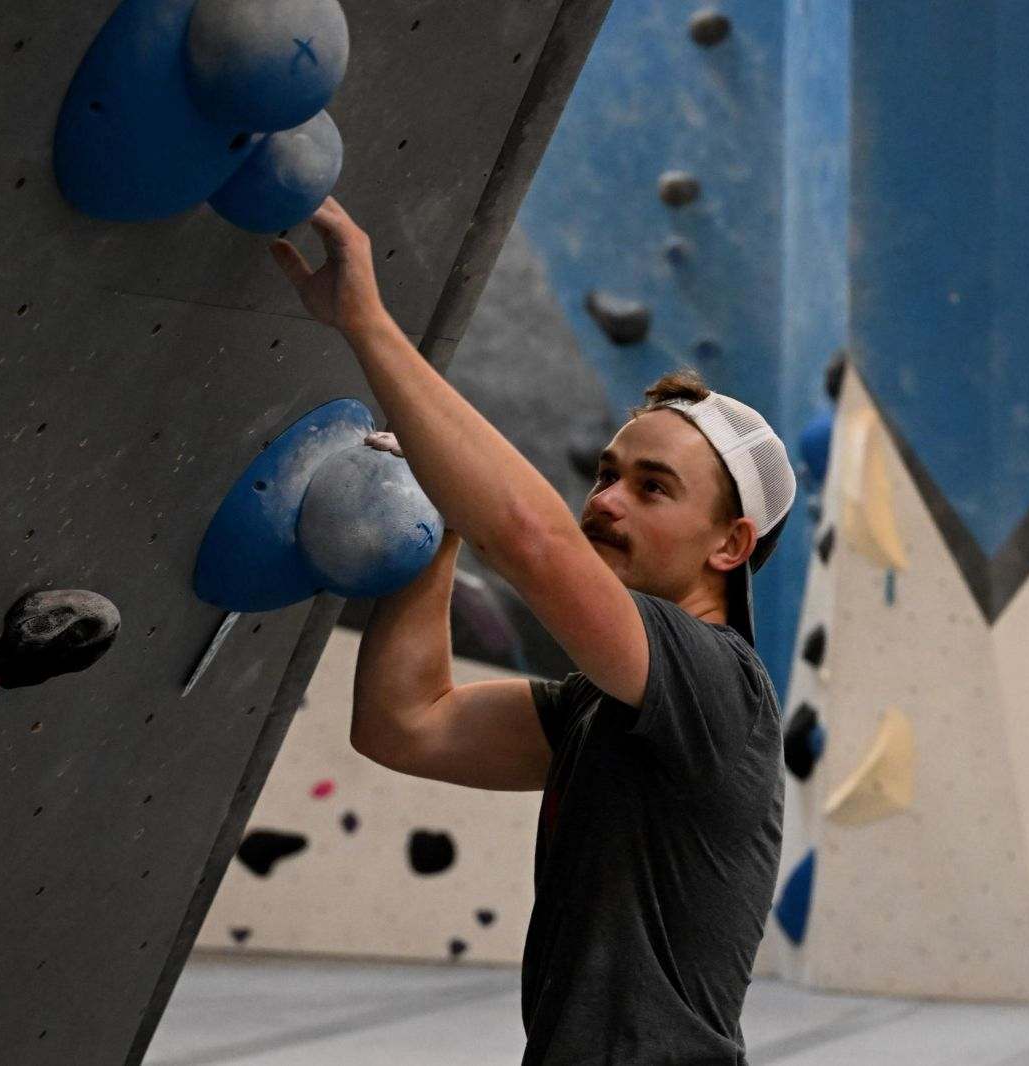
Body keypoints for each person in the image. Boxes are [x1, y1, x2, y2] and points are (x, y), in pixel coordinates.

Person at [271, 196, 794, 1065]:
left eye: (652, 488)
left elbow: (531, 540)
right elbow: (406, 723)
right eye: (606, 473)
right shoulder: (597, 711)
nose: (605, 500)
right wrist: (436, 523)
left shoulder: (718, 686)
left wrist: (363, 322)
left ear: (730, 546)